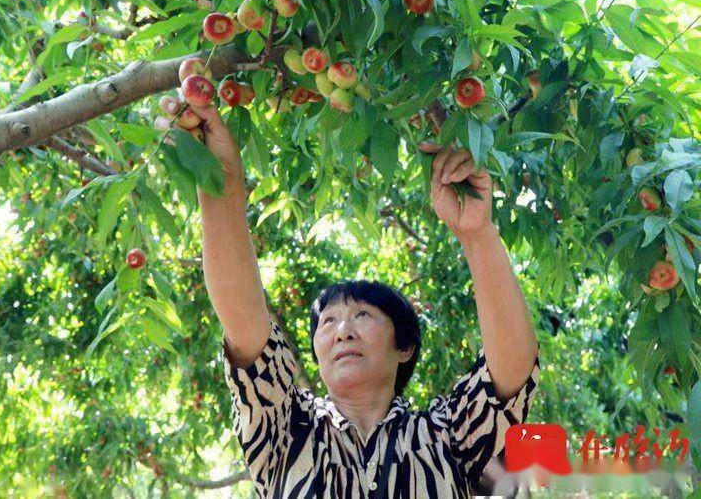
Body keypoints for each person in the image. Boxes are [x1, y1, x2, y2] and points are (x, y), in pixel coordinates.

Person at [189, 101, 540, 498]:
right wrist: (219, 176)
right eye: (328, 322)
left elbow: (510, 378)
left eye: (361, 315)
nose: (342, 331)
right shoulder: (287, 431)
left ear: (404, 346)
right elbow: (245, 323)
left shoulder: (448, 436)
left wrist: (478, 235)